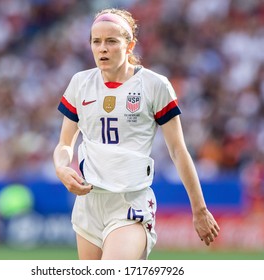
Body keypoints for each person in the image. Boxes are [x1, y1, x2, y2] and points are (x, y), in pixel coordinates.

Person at [53, 8, 220, 260]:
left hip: (130, 202)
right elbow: (65, 143)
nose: (102, 48)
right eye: (96, 42)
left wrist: (199, 209)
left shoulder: (154, 85)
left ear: (129, 45)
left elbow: (178, 150)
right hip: (89, 204)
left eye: (111, 41)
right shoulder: (80, 83)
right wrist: (61, 167)